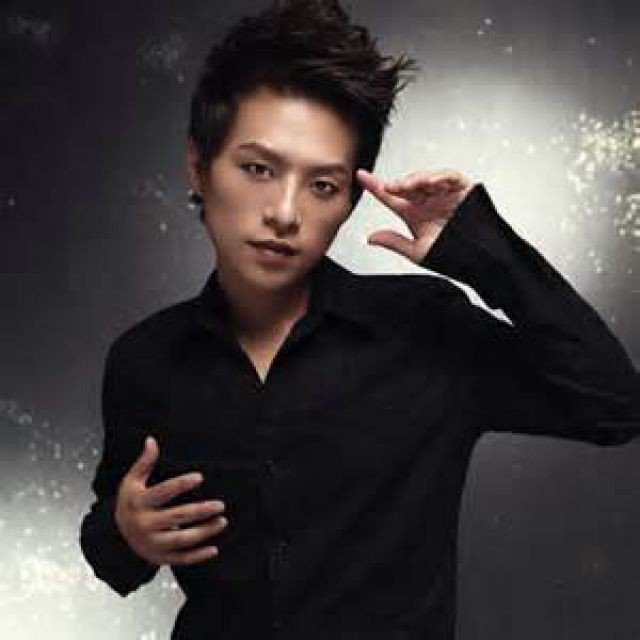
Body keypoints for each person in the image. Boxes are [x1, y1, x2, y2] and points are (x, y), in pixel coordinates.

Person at [79, 1, 640, 638]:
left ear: (349, 200)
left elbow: (613, 407)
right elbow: (113, 553)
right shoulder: (145, 360)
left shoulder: (426, 329)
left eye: (322, 185)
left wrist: (484, 252)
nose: (284, 213)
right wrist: (126, 532)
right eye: (258, 169)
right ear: (198, 165)